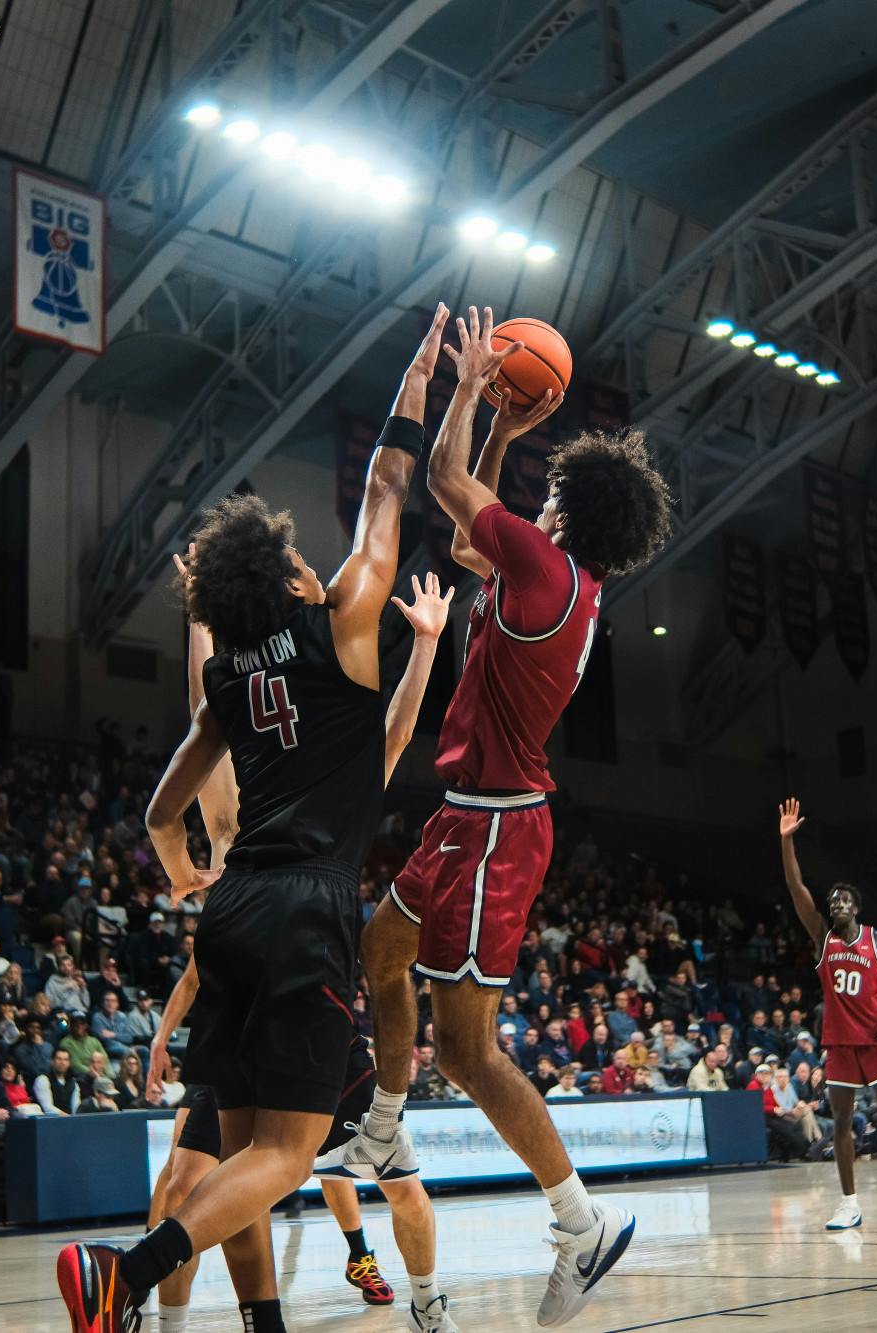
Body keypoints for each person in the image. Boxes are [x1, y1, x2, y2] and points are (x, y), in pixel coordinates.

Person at [60, 306, 446, 1333]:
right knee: (286, 1155)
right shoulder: (344, 623)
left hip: (228, 910)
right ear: (284, 578)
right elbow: (386, 489)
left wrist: (181, 869)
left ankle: (260, 1325)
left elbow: (158, 807)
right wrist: (418, 379)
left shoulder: (226, 680)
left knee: (238, 1154)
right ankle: (125, 1276)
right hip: (305, 907)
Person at [330, 306, 674, 1328]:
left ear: (567, 514)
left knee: (470, 1050)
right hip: (465, 815)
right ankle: (385, 1126)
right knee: (379, 947)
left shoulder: (544, 567)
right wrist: (506, 436)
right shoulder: (557, 578)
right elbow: (464, 534)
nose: (538, 493)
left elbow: (444, 491)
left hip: (496, 831)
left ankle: (578, 1223)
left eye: (550, 487)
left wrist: (474, 387)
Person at [142, 567, 456, 1331]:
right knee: (202, 1176)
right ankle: (167, 1314)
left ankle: (424, 1299)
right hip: (289, 953)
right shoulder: (256, 772)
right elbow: (209, 703)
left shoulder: (319, 750)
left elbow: (204, 708)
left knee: (383, 1179)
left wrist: (200, 614)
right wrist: (424, 645)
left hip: (266, 959)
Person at [778, 798, 877, 1230]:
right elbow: (796, 888)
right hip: (839, 1042)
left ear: (855, 907)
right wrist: (787, 843)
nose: (835, 905)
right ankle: (849, 1204)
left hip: (876, 1039)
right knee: (841, 1122)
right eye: (832, 901)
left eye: (843, 901)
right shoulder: (822, 938)